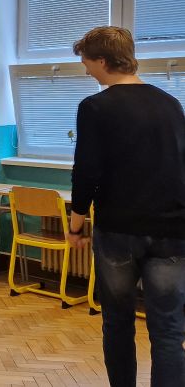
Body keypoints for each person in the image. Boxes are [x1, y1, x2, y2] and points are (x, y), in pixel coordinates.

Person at [69, 26, 185, 387]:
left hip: (119, 230)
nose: (86, 70)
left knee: (118, 322)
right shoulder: (171, 104)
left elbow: (86, 171)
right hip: (172, 230)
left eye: (87, 62)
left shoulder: (95, 107)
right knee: (169, 329)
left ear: (103, 61)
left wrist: (75, 225)